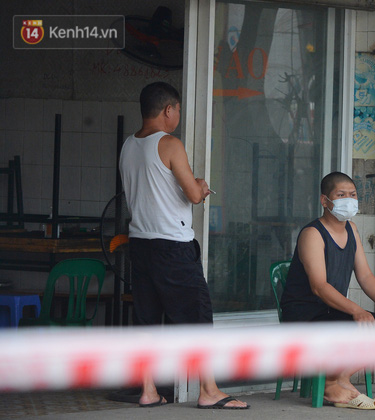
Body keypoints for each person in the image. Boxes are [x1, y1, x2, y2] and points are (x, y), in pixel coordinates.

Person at [119, 82, 249, 409]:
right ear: (168, 110)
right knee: (197, 315)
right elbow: (192, 194)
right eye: (177, 109)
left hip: (140, 243)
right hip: (172, 247)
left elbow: (156, 191)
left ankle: (148, 390)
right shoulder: (169, 143)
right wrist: (200, 187)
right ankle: (209, 390)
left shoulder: (128, 146)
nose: (177, 115)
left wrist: (189, 187)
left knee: (147, 320)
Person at [280, 171, 375, 409]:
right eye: (341, 195)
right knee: (361, 326)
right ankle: (330, 385)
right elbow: (319, 286)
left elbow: (365, 276)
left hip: (331, 311)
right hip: (305, 315)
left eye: (353, 194)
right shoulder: (312, 234)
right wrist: (357, 311)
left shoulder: (352, 229)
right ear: (324, 200)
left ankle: (341, 379)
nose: (349, 199)